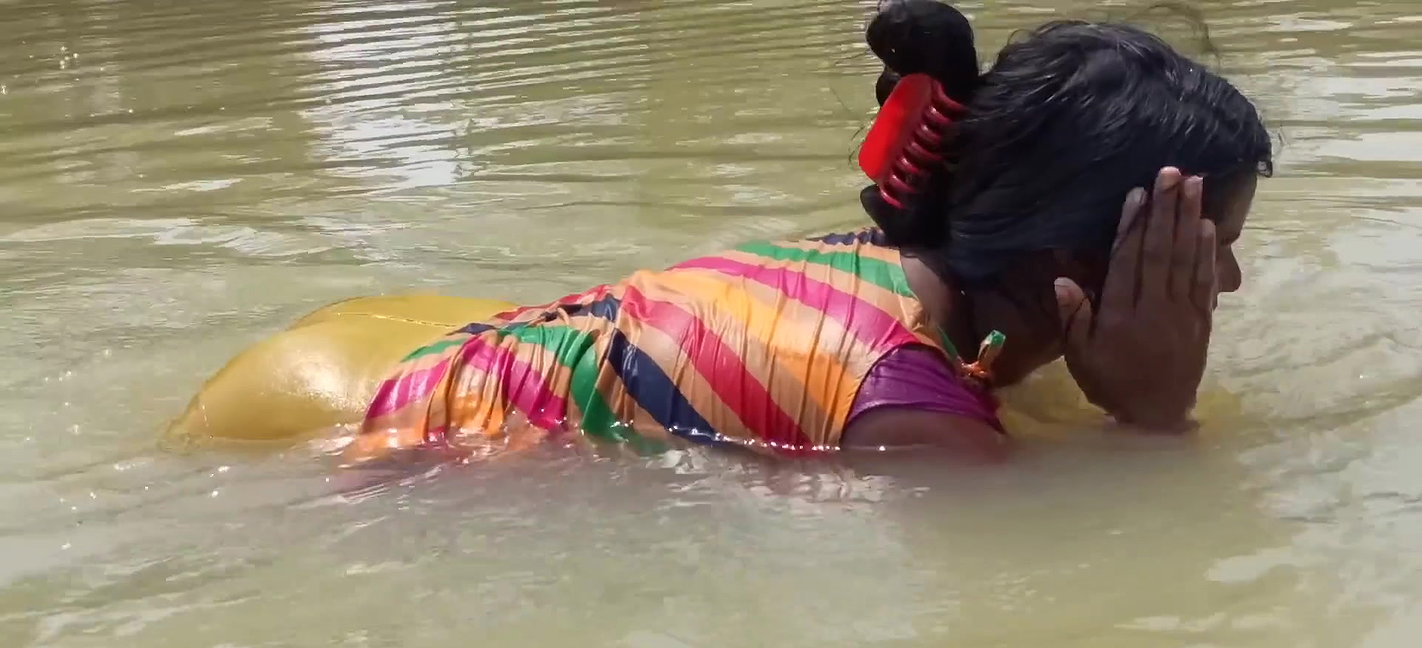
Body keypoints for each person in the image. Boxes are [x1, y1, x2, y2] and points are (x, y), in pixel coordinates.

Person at [165, 0, 1271, 463]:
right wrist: (1155, 420)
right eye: (1208, 242)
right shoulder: (916, 418)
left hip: (371, 344)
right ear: (1080, 254)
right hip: (359, 433)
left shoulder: (892, 267)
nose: (1225, 278)